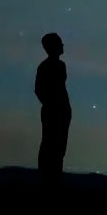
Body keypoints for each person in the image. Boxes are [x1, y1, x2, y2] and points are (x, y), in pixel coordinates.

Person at [35, 32, 71, 186]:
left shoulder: (60, 65)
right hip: (54, 112)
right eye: (59, 42)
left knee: (58, 149)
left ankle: (54, 179)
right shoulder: (46, 67)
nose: (62, 45)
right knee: (50, 147)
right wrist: (52, 105)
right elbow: (39, 90)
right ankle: (48, 181)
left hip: (61, 112)